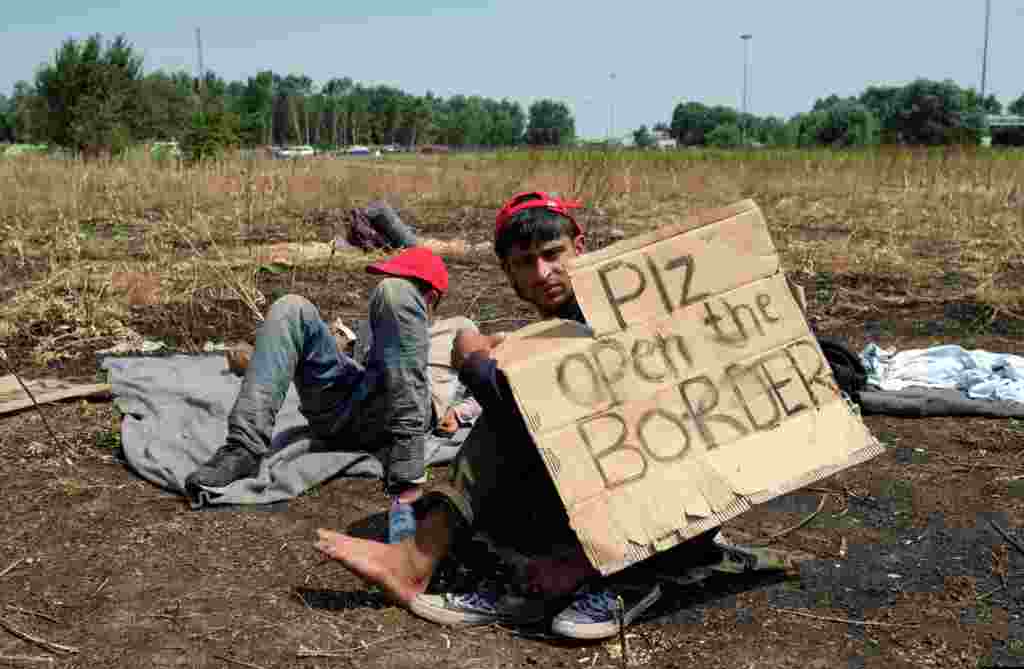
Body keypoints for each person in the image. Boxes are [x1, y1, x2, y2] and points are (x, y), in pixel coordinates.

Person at [315, 192, 778, 640]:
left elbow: (564, 407)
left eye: (553, 254)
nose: (543, 273)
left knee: (510, 410)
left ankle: (616, 574)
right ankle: (507, 563)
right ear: (508, 273)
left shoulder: (625, 309)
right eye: (525, 262)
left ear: (580, 247)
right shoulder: (561, 325)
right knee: (513, 409)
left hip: (677, 501)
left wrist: (474, 361)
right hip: (614, 494)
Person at [186, 246, 450, 507]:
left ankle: (407, 451)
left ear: (430, 298)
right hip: (348, 404)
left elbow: (486, 374)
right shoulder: (377, 324)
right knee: (291, 307)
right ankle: (242, 449)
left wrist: (461, 410)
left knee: (393, 294)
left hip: (398, 417)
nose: (385, 290)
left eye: (406, 285)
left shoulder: (456, 330)